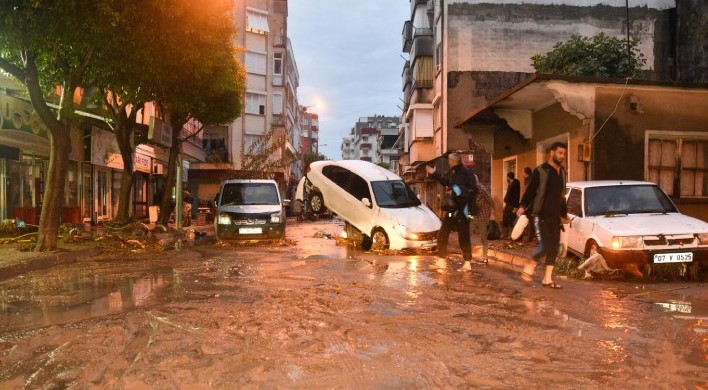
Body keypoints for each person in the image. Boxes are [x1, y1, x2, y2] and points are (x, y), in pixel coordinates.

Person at [516, 142, 570, 289]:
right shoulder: (541, 171)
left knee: (553, 248)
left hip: (555, 216)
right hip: (541, 214)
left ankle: (547, 279)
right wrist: (522, 206)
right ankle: (531, 263)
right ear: (551, 153)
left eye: (564, 154)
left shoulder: (563, 173)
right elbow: (531, 190)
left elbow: (562, 196)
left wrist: (563, 214)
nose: (562, 156)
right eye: (560, 153)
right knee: (546, 245)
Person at [426, 152, 477, 269]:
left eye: (449, 160)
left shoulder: (466, 172)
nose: (448, 162)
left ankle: (467, 262)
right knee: (443, 233)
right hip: (452, 209)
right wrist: (435, 174)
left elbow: (473, 189)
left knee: (463, 236)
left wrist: (456, 190)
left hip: (462, 210)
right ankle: (441, 260)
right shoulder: (453, 172)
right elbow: (448, 183)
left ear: (454, 161)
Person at [470, 175, 494, 264]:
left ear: (476, 181)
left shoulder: (483, 190)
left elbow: (491, 201)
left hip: (483, 217)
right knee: (468, 236)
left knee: (483, 238)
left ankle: (485, 257)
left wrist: (492, 214)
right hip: (474, 216)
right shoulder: (472, 190)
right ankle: (469, 257)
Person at [502, 172, 520, 239]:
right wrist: (505, 205)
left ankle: (511, 235)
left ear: (508, 177)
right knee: (505, 220)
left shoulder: (515, 184)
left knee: (511, 220)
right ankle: (505, 235)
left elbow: (516, 196)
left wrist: (516, 207)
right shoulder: (510, 184)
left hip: (512, 205)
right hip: (508, 205)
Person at [522, 167, 535, 242]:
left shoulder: (529, 181)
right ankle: (530, 237)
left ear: (526, 173)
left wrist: (526, 205)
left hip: (531, 205)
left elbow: (529, 194)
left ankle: (530, 238)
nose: (522, 174)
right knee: (531, 221)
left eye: (523, 172)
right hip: (531, 204)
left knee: (532, 221)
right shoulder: (529, 180)